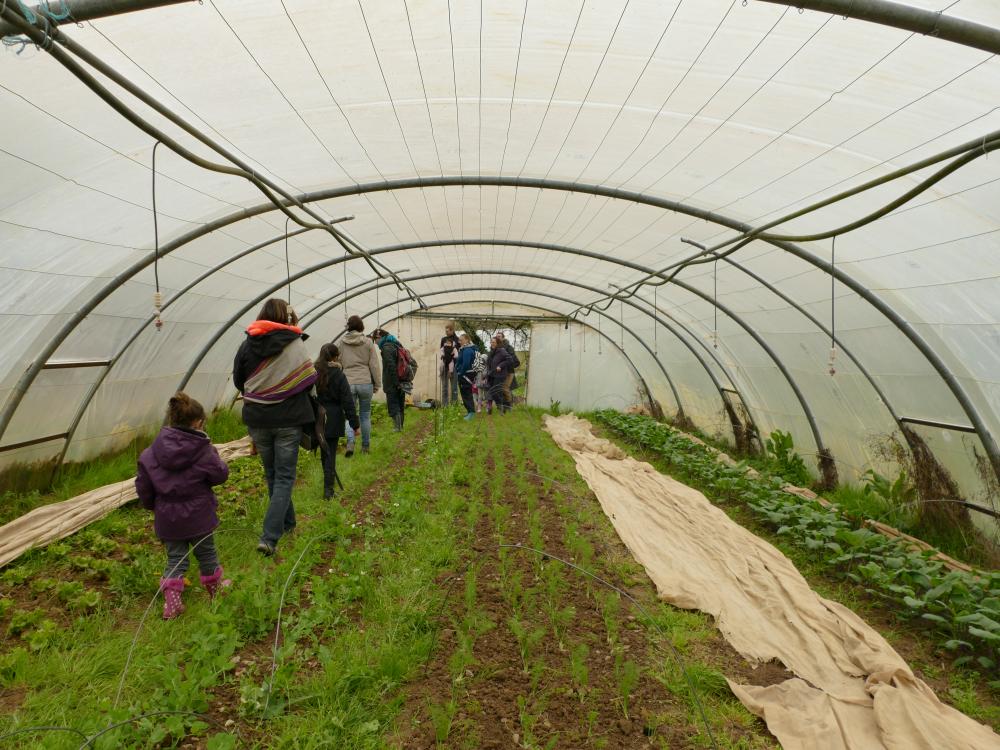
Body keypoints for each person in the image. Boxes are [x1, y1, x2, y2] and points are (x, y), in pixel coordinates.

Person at [233, 298, 317, 557]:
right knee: (284, 478)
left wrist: (264, 390)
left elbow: (239, 381)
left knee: (273, 476)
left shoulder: (247, 345)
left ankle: (289, 525)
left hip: (258, 420)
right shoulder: (295, 344)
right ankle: (269, 537)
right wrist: (283, 387)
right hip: (288, 421)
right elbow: (308, 379)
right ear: (287, 317)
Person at [136, 392, 230, 620]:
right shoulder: (204, 450)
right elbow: (220, 475)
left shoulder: (150, 454)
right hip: (199, 516)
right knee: (207, 555)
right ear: (198, 423)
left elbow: (144, 488)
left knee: (175, 559)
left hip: (168, 517)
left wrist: (154, 507)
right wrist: (216, 457)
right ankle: (216, 593)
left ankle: (172, 604)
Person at [315, 343, 360, 499]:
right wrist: (355, 425)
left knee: (324, 453)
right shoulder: (338, 374)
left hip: (318, 418)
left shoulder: (315, 373)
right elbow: (347, 401)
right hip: (333, 417)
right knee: (330, 454)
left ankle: (328, 487)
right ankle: (328, 491)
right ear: (335, 357)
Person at [339, 315, 381, 456]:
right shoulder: (368, 342)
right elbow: (374, 365)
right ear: (361, 326)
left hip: (348, 382)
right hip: (365, 381)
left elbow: (338, 363)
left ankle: (350, 443)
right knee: (365, 415)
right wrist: (377, 383)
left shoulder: (342, 343)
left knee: (349, 415)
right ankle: (365, 447)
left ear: (349, 327)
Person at [373, 328, 406, 432]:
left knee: (393, 404)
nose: (375, 342)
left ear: (380, 337)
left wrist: (396, 383)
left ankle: (397, 427)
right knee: (400, 403)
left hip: (392, 381)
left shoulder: (386, 348)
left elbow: (391, 366)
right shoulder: (396, 344)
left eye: (375, 339)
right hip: (401, 379)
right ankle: (400, 426)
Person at [486, 336, 514, 415]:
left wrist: (500, 365)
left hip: (500, 375)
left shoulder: (502, 350)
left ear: (498, 343)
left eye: (494, 342)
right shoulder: (492, 351)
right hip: (492, 375)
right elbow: (489, 363)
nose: (492, 344)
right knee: (493, 392)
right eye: (491, 342)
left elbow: (510, 359)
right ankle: (502, 407)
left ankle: (502, 407)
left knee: (496, 391)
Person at [454, 333, 478, 421]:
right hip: (465, 374)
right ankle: (469, 411)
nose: (459, 341)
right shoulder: (464, 349)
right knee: (465, 393)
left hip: (466, 374)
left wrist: (460, 372)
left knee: (466, 393)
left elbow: (466, 364)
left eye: (461, 340)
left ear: (467, 340)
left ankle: (471, 412)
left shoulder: (467, 350)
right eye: (459, 340)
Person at [497, 332, 520, 410]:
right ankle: (503, 405)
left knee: (505, 388)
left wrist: (501, 364)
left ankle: (509, 405)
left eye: (499, 336)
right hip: (499, 372)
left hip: (509, 371)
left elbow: (511, 359)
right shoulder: (495, 347)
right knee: (500, 389)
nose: (498, 338)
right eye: (497, 337)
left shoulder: (509, 347)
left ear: (503, 338)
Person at [439, 324, 461, 407]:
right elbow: (441, 350)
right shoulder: (443, 339)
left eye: (447, 331)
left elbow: (459, 352)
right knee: (444, 387)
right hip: (445, 365)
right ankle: (445, 405)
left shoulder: (457, 340)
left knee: (454, 388)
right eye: (445, 331)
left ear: (452, 330)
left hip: (454, 366)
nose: (446, 332)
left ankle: (454, 405)